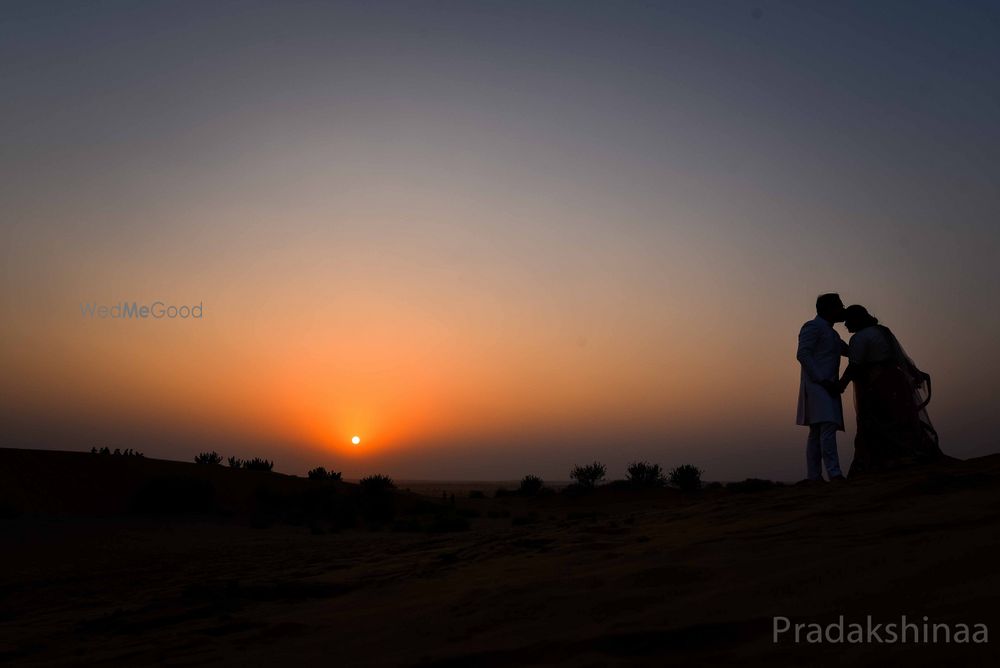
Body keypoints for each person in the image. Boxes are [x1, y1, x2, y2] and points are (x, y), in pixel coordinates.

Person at [838, 305, 944, 475]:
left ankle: (889, 462)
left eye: (848, 321)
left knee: (877, 420)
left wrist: (840, 385)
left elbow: (854, 366)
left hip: (876, 385)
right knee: (901, 417)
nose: (845, 325)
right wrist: (914, 373)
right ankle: (913, 455)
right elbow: (898, 356)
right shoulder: (883, 331)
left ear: (856, 320)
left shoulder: (859, 338)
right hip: (896, 381)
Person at [796, 293, 850, 482]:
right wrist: (821, 379)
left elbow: (847, 350)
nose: (842, 309)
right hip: (817, 386)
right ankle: (833, 473)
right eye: (839, 306)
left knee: (819, 430)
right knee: (825, 427)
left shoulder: (832, 334)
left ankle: (815, 476)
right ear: (828, 309)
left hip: (828, 386)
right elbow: (803, 354)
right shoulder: (812, 327)